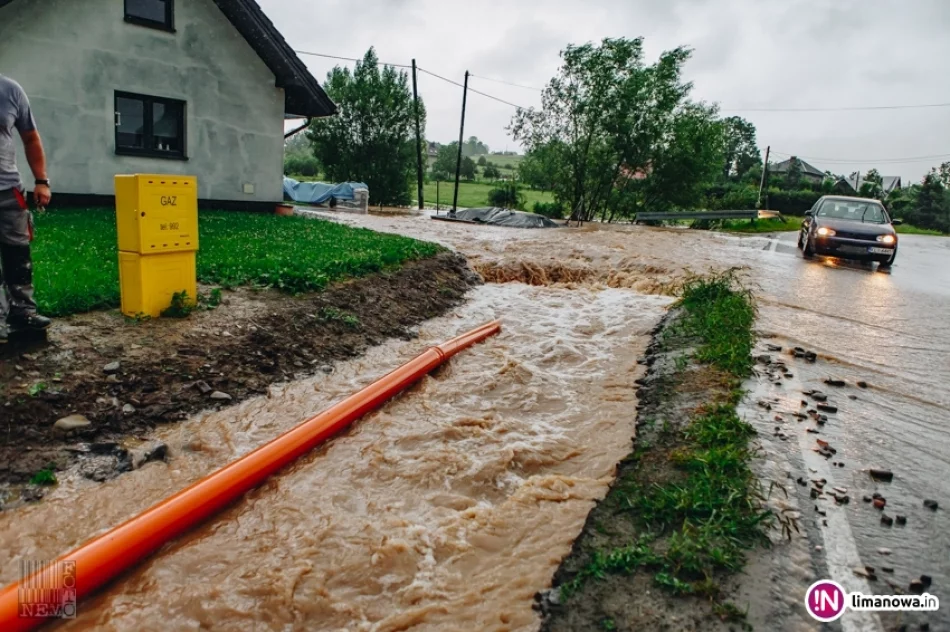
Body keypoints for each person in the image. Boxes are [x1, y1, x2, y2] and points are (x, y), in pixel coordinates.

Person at [0, 74, 51, 342]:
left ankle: (22, 313)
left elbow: (31, 138)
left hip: (8, 190)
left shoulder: (10, 90)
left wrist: (41, 181)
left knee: (18, 255)